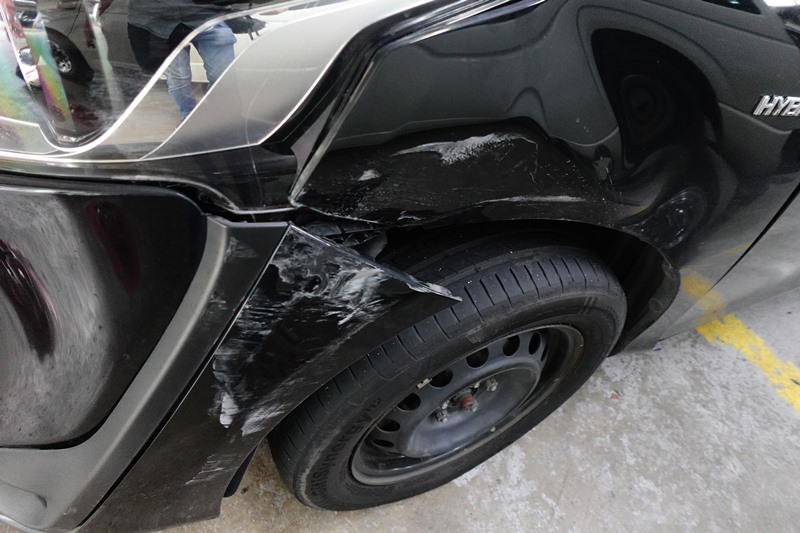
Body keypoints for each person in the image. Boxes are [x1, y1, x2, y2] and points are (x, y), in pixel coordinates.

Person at [126, 0, 237, 117]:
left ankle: (221, 116)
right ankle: (189, 117)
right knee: (178, 79)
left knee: (223, 75)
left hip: (207, 14)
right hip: (156, 22)